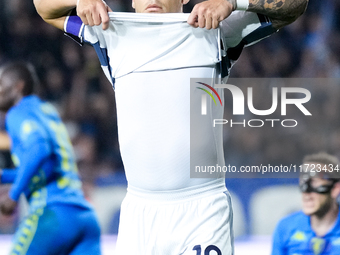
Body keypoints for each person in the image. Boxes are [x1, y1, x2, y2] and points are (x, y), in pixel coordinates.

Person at [33, 0, 308, 254]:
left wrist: (233, 2)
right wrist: (79, 0)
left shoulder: (216, 31)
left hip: (202, 211)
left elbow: (296, 5)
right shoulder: (109, 31)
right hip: (139, 215)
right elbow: (44, 7)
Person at [0, 62, 101, 255]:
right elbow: (47, 167)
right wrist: (5, 176)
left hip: (53, 212)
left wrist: (13, 195)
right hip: (83, 216)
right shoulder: (46, 111)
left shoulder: (17, 112)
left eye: (1, 83)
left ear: (18, 87)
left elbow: (39, 148)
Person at [272, 152, 340, 255]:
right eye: (303, 183)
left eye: (315, 184)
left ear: (335, 189)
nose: (306, 194)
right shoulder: (286, 227)